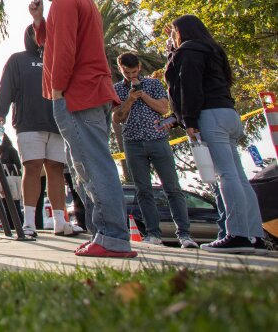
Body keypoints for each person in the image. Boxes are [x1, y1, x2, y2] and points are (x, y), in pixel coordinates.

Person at [26, 0, 135, 258]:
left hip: (77, 94)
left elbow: (63, 50)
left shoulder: (63, 2)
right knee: (87, 164)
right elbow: (57, 39)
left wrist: (58, 89)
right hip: (95, 91)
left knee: (90, 165)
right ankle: (105, 233)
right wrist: (39, 20)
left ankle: (112, 236)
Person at [165, 15, 264, 253]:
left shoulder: (188, 52)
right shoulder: (212, 50)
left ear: (181, 32)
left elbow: (189, 87)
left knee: (225, 175)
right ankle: (253, 235)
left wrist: (188, 120)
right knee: (238, 176)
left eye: (172, 32)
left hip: (209, 115)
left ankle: (237, 234)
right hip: (228, 113)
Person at [0, 25, 75, 237]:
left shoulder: (58, 58)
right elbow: (6, 86)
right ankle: (28, 223)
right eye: (37, 34)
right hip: (28, 123)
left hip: (57, 123)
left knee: (56, 169)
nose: (42, 38)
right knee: (33, 167)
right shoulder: (18, 60)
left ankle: (60, 221)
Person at [111, 52, 197, 249]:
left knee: (172, 188)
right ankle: (153, 233)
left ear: (139, 67)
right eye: (127, 72)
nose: (131, 76)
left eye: (134, 72)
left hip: (157, 140)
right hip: (133, 144)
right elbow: (117, 118)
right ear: (120, 69)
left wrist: (143, 95)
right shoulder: (116, 89)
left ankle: (184, 234)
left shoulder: (153, 84)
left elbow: (163, 108)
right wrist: (130, 100)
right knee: (143, 190)